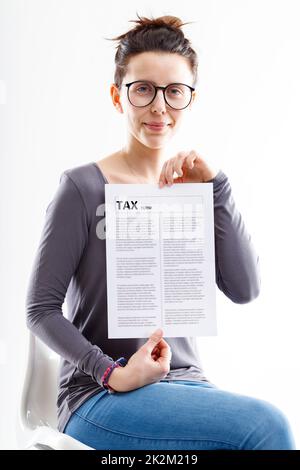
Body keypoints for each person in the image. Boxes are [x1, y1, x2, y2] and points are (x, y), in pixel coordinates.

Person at [25, 14, 296, 450]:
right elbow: (40, 309)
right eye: (143, 89)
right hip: (99, 396)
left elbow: (245, 290)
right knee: (267, 428)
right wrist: (112, 371)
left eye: (174, 92)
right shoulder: (81, 187)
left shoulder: (197, 191)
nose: (159, 106)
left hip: (186, 386)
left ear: (191, 99)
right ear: (118, 97)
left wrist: (218, 188)